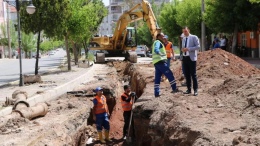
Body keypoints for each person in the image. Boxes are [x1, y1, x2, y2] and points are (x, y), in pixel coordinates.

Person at [152, 32, 179, 97]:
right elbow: (156, 49)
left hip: (156, 63)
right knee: (169, 74)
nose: (163, 37)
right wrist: (159, 53)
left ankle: (156, 93)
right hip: (161, 62)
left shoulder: (157, 42)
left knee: (157, 78)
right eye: (162, 36)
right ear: (158, 37)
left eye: (164, 36)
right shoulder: (158, 42)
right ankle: (174, 88)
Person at [181, 26, 200, 96]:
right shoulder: (183, 39)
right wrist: (182, 50)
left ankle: (195, 90)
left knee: (193, 74)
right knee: (187, 74)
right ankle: (188, 89)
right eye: (183, 31)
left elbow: (198, 46)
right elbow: (183, 47)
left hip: (191, 58)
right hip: (185, 57)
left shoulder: (194, 37)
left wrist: (189, 49)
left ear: (188, 30)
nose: (184, 32)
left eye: (185, 31)